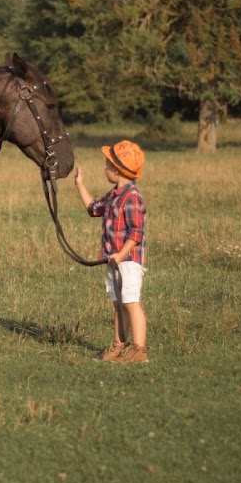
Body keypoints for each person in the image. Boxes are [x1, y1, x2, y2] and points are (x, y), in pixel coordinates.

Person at [73, 140, 149, 363]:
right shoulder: (114, 195)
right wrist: (80, 185)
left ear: (117, 170)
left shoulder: (132, 198)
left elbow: (136, 233)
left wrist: (121, 255)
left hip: (128, 262)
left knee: (131, 303)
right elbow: (93, 209)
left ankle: (140, 350)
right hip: (114, 261)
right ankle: (119, 345)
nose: (105, 168)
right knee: (118, 304)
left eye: (107, 165)